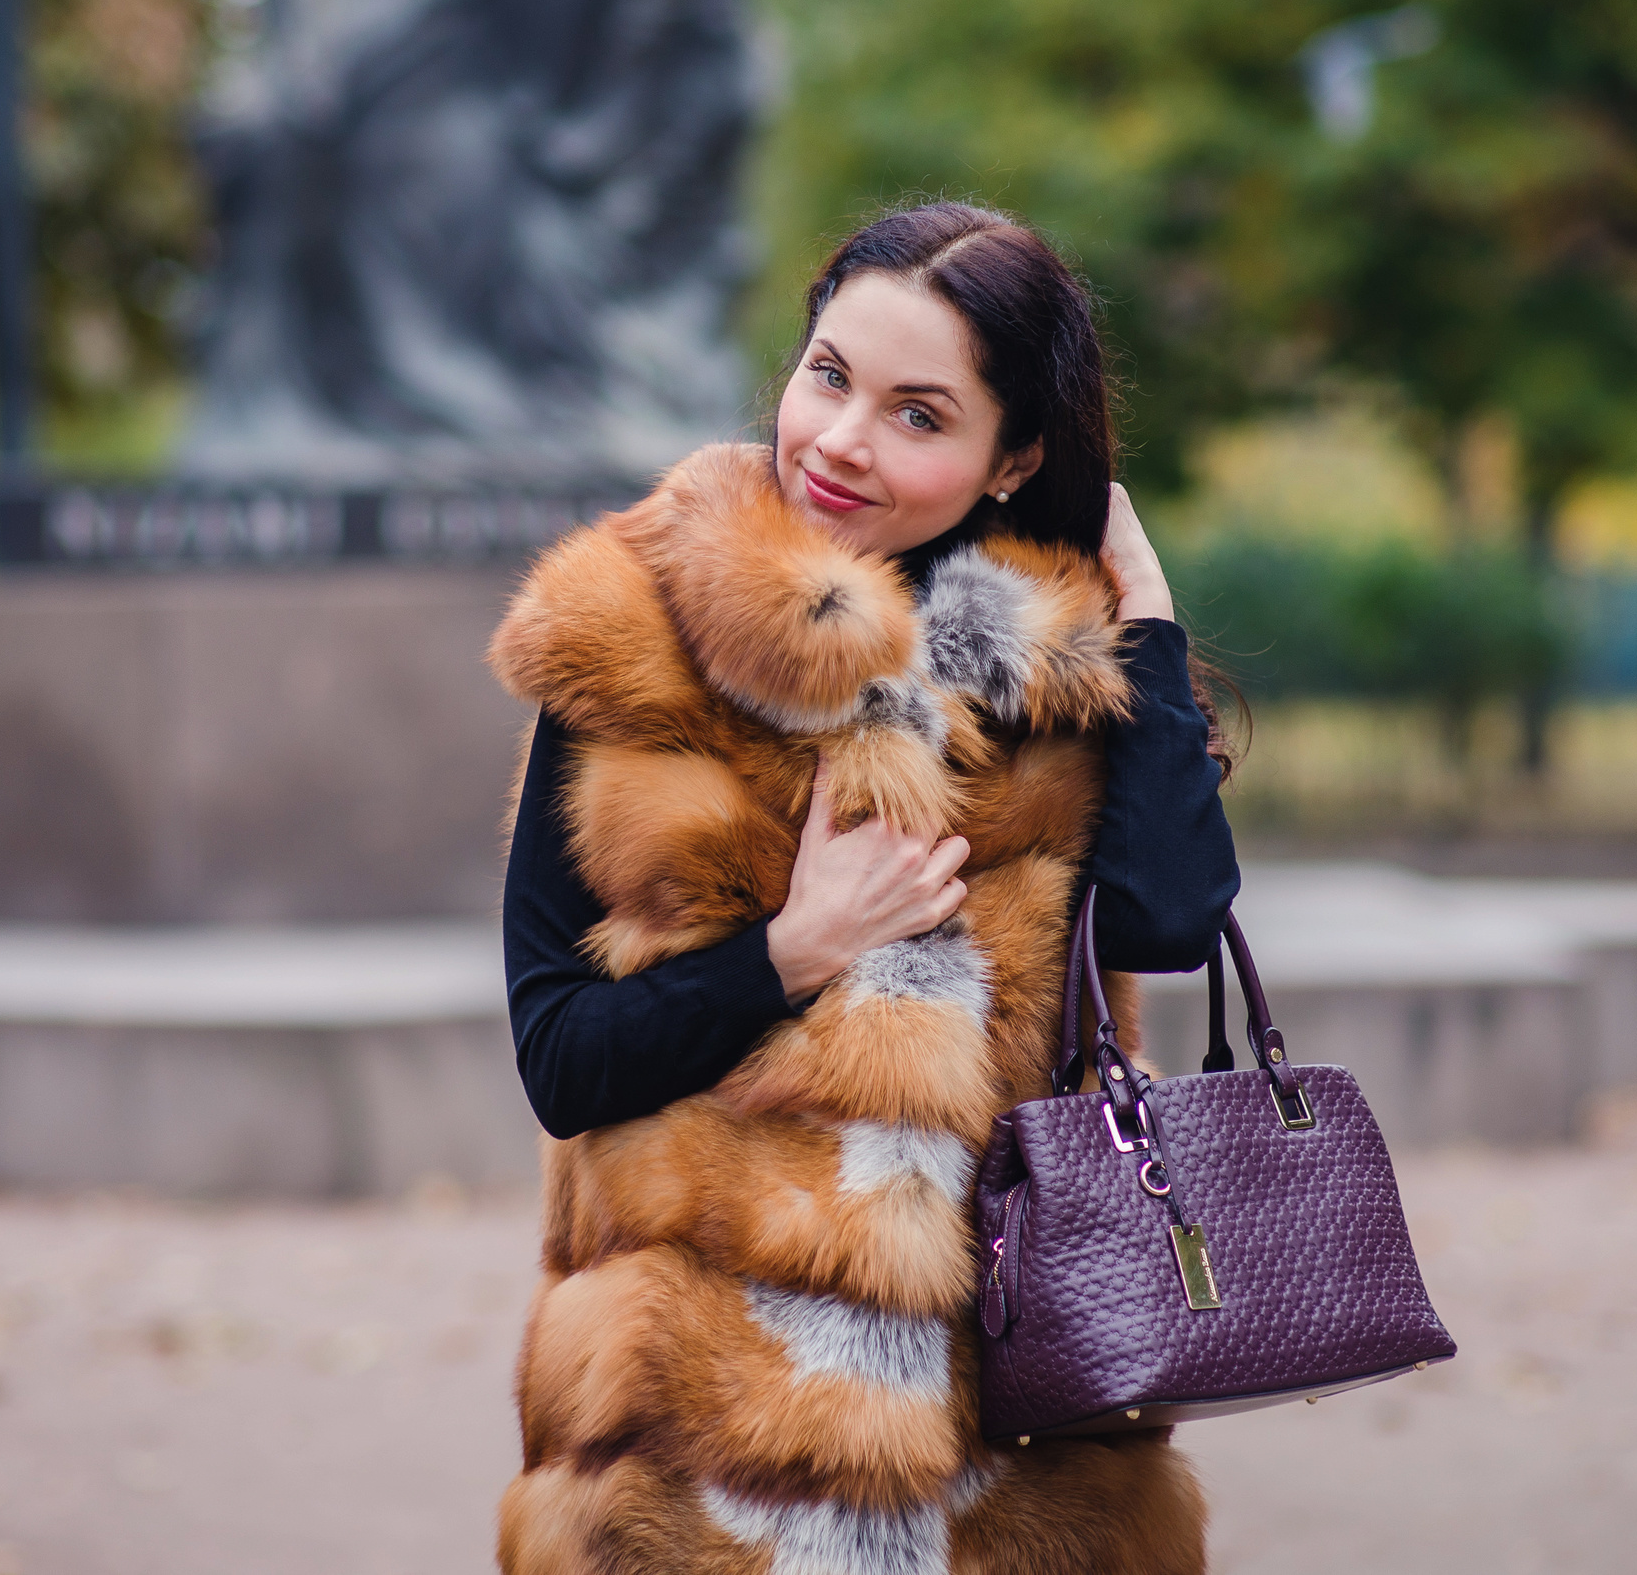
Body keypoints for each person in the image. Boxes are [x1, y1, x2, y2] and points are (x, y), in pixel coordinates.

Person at [488, 201, 1239, 1574]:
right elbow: (561, 1056)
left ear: (1012, 457)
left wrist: (1148, 617)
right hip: (694, 1485)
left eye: (917, 413)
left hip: (1009, 1477)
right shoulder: (631, 635)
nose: (840, 439)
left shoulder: (1056, 667)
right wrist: (794, 945)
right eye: (829, 374)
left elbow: (1169, 917)